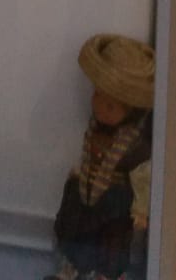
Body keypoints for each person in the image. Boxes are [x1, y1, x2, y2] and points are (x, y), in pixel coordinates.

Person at [48, 34, 155, 280]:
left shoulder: (134, 145)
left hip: (114, 200)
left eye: (110, 106)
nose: (98, 108)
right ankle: (73, 266)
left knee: (111, 239)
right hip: (86, 193)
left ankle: (105, 274)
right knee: (74, 227)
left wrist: (140, 209)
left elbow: (141, 177)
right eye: (97, 95)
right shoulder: (95, 129)